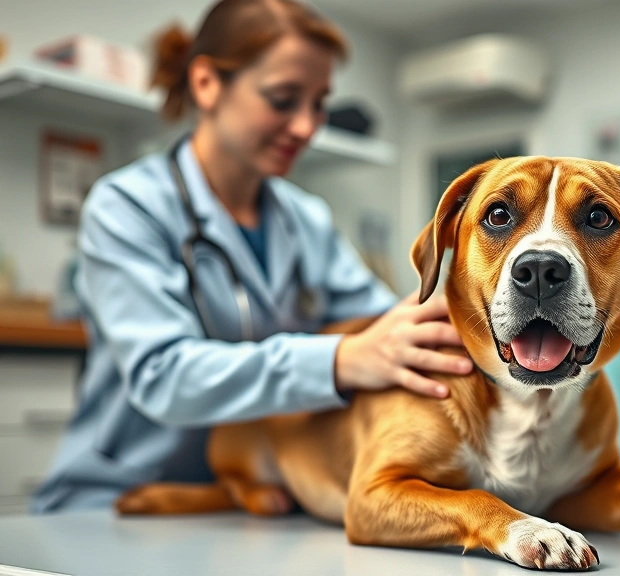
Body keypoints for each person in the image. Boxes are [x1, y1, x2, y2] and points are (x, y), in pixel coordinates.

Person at [32, 0, 472, 513]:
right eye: (284, 99)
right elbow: (162, 375)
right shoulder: (127, 206)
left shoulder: (304, 219)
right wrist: (339, 360)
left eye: (318, 104)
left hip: (252, 500)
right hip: (120, 498)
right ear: (206, 84)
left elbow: (387, 326)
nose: (307, 126)